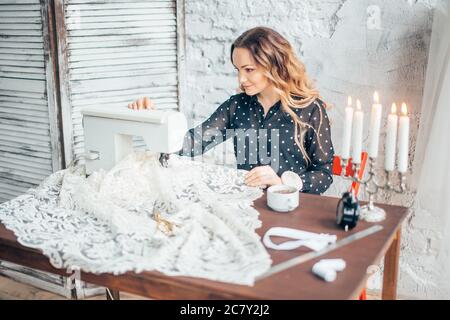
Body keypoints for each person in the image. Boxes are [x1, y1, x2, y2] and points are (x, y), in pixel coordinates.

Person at [128, 26, 334, 194]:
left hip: (295, 209)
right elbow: (191, 144)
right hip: (248, 205)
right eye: (238, 70)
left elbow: (324, 174)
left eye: (249, 70)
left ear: (275, 66)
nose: (241, 79)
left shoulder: (311, 109)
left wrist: (281, 181)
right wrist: (155, 119)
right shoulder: (237, 106)